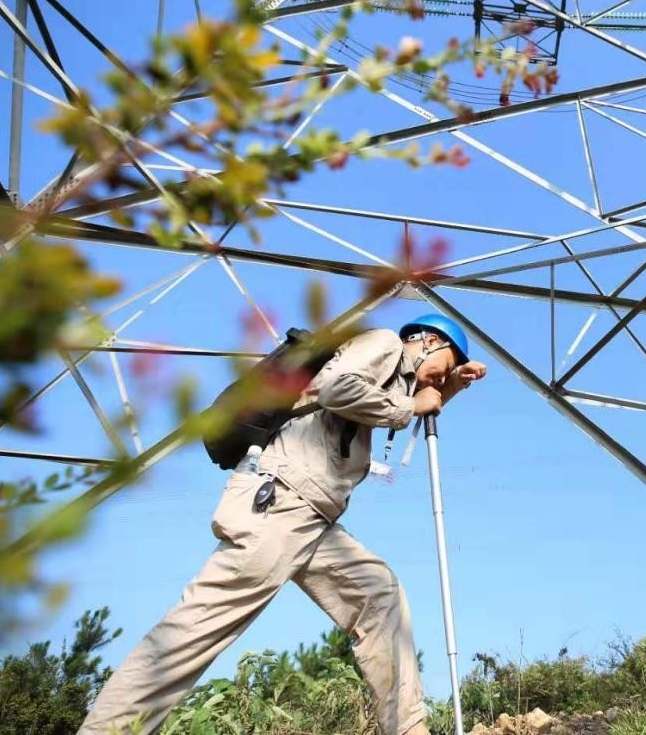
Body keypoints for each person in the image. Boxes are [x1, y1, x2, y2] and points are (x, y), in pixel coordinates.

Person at [78, 314, 487, 735]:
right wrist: (411, 405)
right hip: (281, 502)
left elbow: (405, 402)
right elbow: (336, 388)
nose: (439, 382)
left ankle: (408, 729)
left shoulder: (396, 381)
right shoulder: (383, 343)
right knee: (192, 634)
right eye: (445, 368)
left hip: (314, 519)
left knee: (379, 595)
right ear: (429, 341)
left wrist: (446, 389)